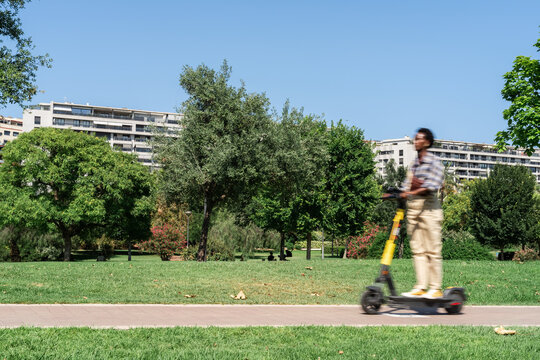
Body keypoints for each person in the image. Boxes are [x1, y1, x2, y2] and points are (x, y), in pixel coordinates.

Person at [399, 128, 444, 299]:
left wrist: (411, 193)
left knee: (432, 250)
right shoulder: (414, 164)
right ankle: (420, 286)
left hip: (429, 208)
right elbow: (406, 185)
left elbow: (433, 185)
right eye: (415, 139)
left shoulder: (434, 163)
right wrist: (396, 193)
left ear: (427, 142)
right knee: (417, 250)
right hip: (414, 209)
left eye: (418, 139)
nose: (415, 141)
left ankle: (435, 288)